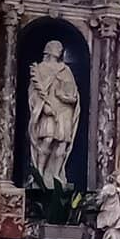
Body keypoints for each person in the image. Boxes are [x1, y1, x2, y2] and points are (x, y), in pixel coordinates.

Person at [28, 40, 80, 188]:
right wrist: (43, 107)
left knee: (62, 143)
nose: (60, 49)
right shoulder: (40, 69)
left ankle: (56, 175)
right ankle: (39, 173)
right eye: (57, 47)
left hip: (64, 110)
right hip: (48, 109)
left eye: (61, 48)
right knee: (48, 139)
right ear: (49, 50)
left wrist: (67, 97)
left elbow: (74, 92)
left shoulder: (65, 70)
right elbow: (34, 92)